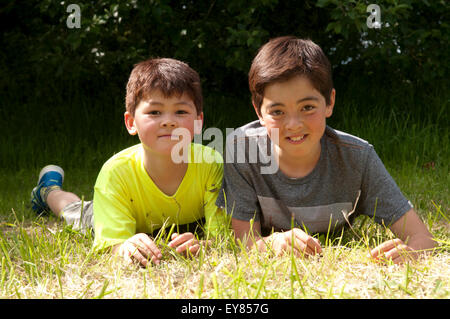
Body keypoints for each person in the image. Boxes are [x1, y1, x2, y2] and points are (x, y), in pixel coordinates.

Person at [216, 36, 436, 264]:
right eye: (277, 112)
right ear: (259, 112)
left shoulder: (358, 159)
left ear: (329, 102)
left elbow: (422, 238)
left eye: (307, 107)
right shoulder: (241, 149)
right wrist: (274, 243)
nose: (293, 124)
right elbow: (243, 240)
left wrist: (412, 253)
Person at [31, 58, 225, 267]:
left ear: (198, 122)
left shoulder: (212, 164)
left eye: (180, 111)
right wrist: (124, 247)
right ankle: (48, 190)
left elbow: (224, 237)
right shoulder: (116, 173)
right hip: (115, 210)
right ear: (131, 123)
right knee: (76, 210)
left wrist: (205, 245)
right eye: (154, 112)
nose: (169, 121)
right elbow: (111, 246)